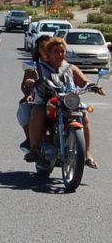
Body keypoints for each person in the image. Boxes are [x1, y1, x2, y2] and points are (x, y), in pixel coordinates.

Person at [24, 37, 104, 168]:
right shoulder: (40, 67)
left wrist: (93, 86)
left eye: (62, 51)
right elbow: (31, 79)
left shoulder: (70, 68)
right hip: (47, 101)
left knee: (84, 115)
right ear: (48, 53)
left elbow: (84, 82)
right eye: (55, 51)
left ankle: (87, 153)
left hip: (68, 101)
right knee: (37, 111)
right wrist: (31, 82)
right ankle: (34, 150)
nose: (59, 54)